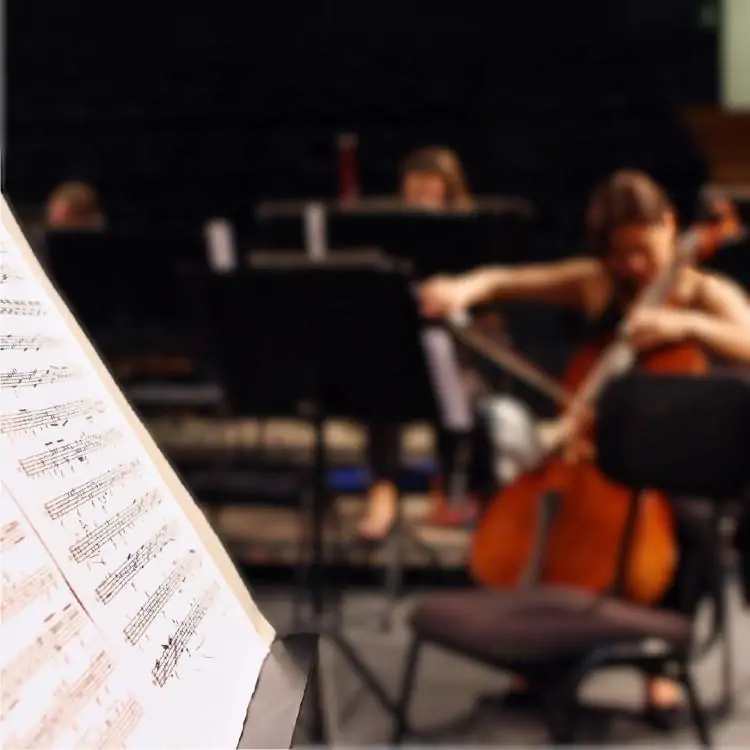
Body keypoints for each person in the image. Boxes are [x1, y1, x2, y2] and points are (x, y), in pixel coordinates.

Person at [419, 169, 750, 721]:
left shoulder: (701, 291)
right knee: (530, 501)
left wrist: (688, 326)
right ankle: (541, 655)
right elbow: (503, 280)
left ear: (671, 226)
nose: (636, 266)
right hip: (589, 451)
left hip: (675, 460)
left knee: (692, 522)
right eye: (621, 254)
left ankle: (663, 670)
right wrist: (462, 289)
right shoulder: (595, 283)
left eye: (645, 250)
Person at [358, 146, 476, 540]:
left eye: (430, 189)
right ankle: (383, 489)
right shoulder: (390, 235)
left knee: (449, 374)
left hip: (455, 346)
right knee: (380, 377)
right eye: (414, 189)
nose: (421, 197)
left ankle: (450, 488)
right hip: (400, 349)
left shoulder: (468, 233)